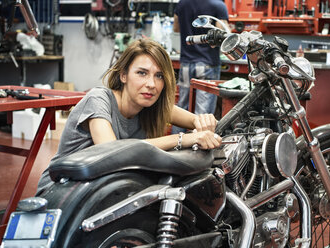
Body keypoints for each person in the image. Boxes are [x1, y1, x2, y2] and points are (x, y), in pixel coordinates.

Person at [37, 39, 222, 192]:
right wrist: (183, 138)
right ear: (123, 75)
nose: (151, 84)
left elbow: (192, 120)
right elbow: (111, 151)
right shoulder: (99, 99)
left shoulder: (148, 105)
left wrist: (204, 121)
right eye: (142, 73)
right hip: (61, 192)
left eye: (159, 76)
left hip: (103, 189)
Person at [171, 0, 229, 134]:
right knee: (203, 115)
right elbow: (224, 34)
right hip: (207, 64)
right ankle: (198, 150)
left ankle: (175, 147)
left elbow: (176, 28)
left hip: (186, 63)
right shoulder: (217, 5)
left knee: (181, 110)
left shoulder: (182, 4)